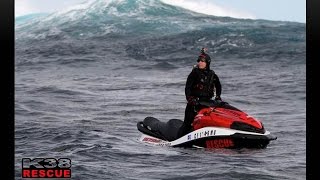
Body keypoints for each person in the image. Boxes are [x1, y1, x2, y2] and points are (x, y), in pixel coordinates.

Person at [177, 48, 222, 138]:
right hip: (194, 102)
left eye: (202, 61)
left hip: (206, 103)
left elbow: (218, 86)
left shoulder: (212, 74)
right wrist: (189, 98)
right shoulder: (194, 73)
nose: (200, 63)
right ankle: (177, 139)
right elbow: (188, 87)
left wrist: (218, 96)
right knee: (187, 123)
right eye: (199, 61)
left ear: (207, 63)